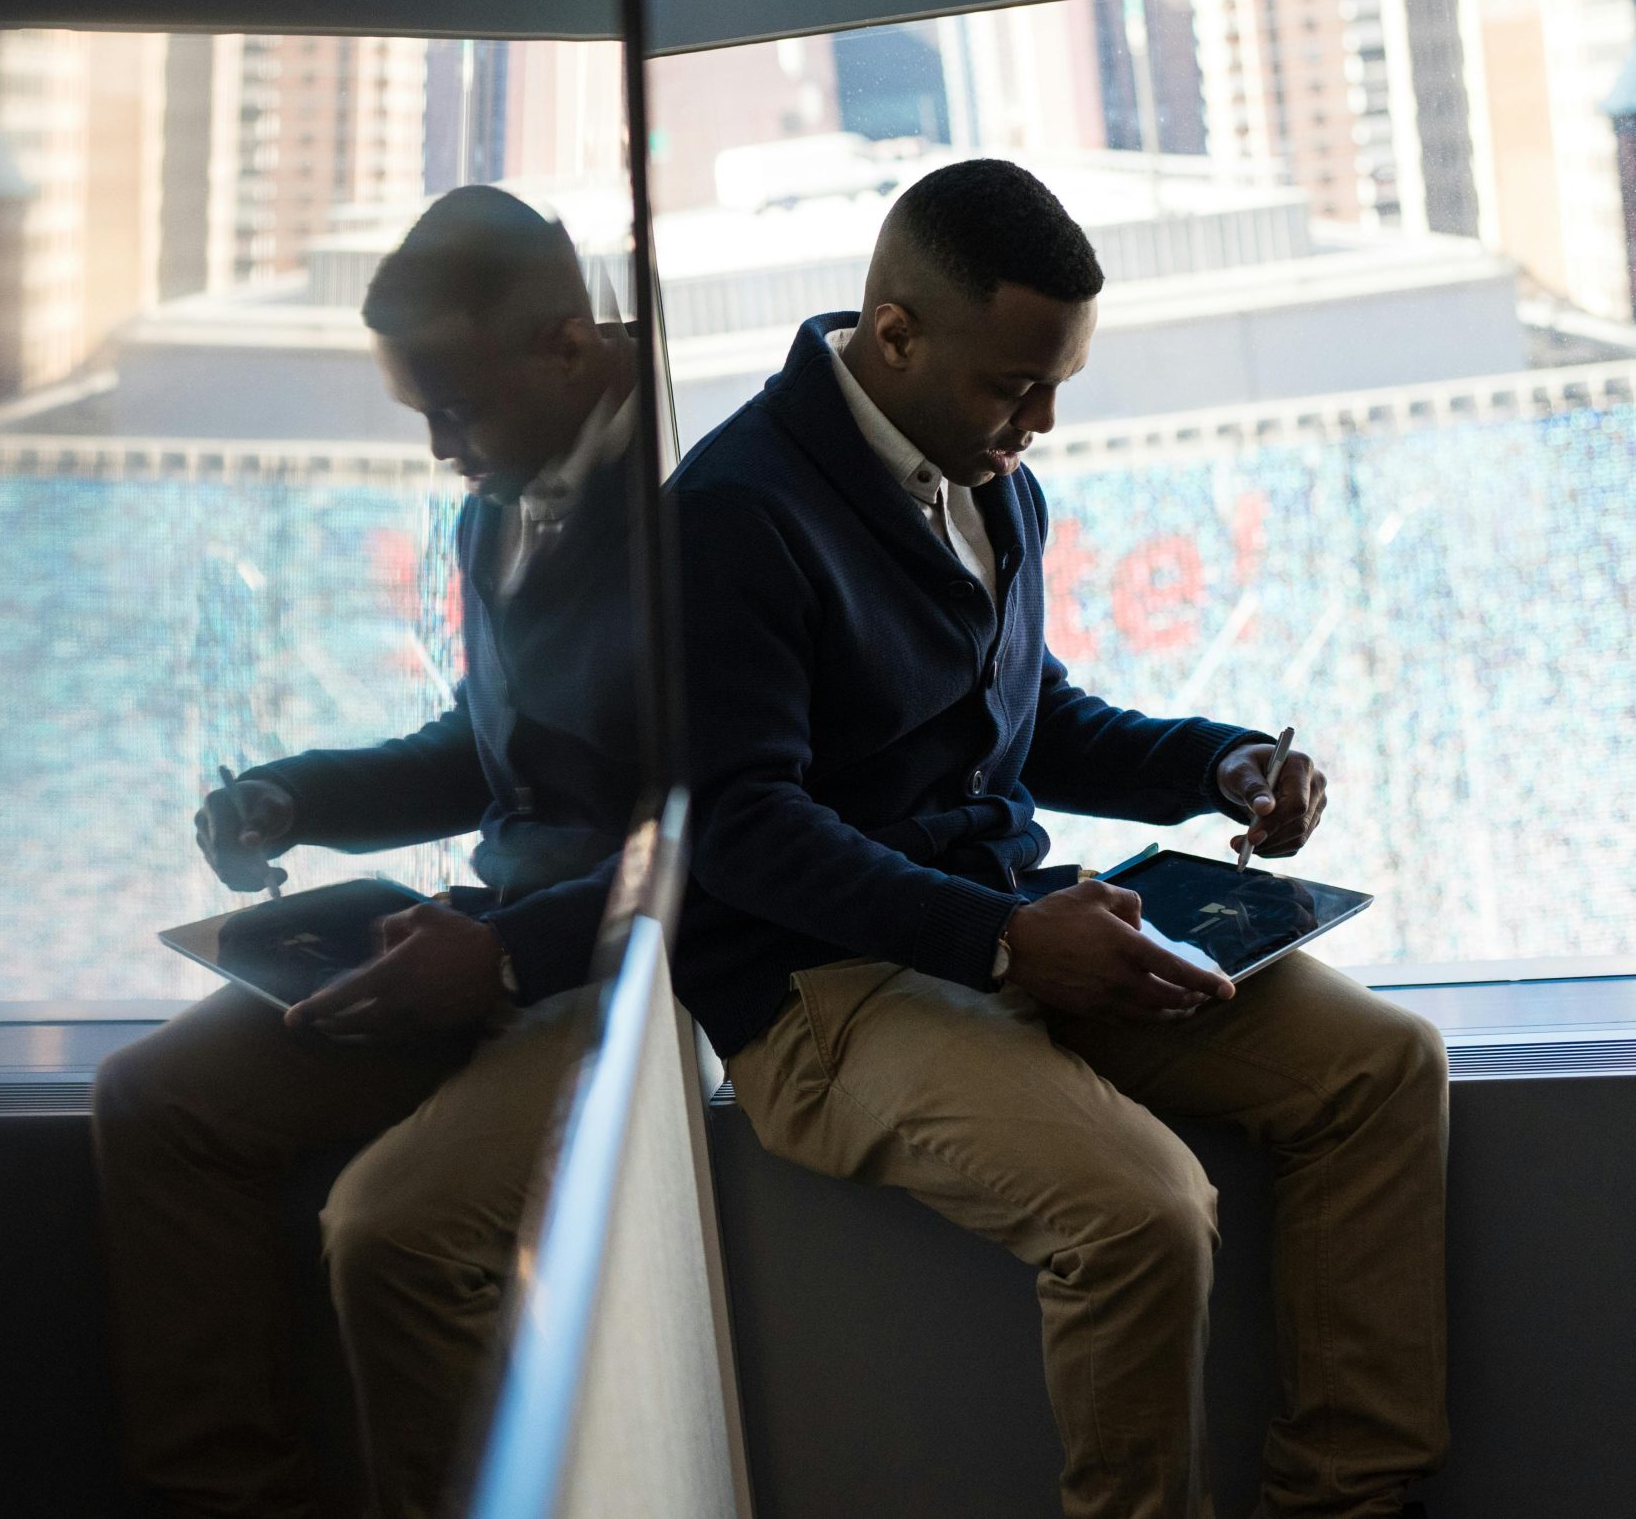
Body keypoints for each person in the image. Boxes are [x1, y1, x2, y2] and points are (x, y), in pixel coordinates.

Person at [669, 159, 1447, 1519]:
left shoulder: (991, 479)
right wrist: (1004, 935)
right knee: (1142, 1211)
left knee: (1382, 1066)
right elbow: (739, 828)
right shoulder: (730, 511)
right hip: (824, 993)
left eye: (1059, 384)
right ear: (894, 331)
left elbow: (1036, 712)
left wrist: (1221, 757)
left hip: (1007, 932)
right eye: (1014, 385)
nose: (1041, 422)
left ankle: (1348, 1500)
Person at [91, 185, 643, 1519]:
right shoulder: (497, 505)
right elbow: (483, 747)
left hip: (632, 976)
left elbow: (720, 833)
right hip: (495, 935)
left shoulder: (712, 508)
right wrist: (293, 798)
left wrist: (505, 955)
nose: (446, 450)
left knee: (390, 1230)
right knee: (156, 1101)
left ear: (567, 346)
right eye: (424, 416)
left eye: (459, 408)